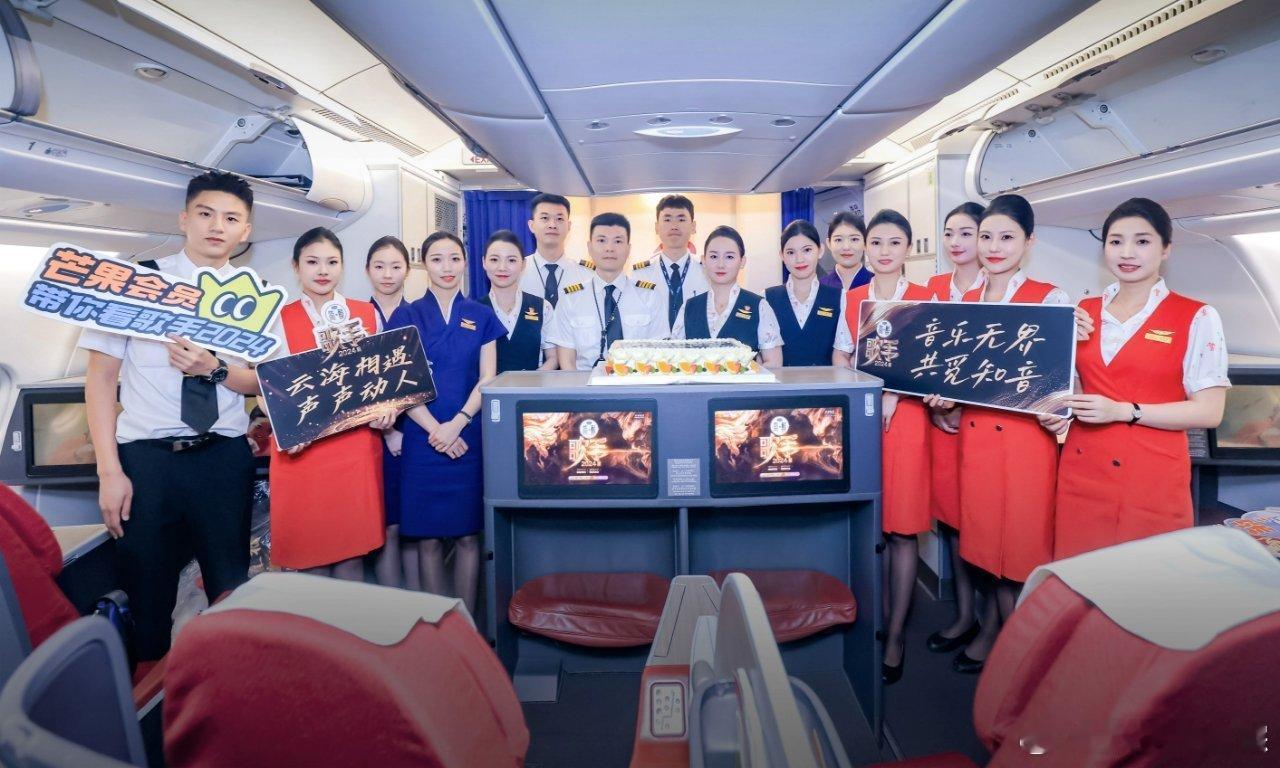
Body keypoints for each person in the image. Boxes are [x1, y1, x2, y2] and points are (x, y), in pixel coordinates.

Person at [81, 170, 259, 661]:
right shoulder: (135, 283)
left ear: (245, 231)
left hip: (222, 459)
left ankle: (223, 691)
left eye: (231, 219)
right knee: (148, 590)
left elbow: (262, 380)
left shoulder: (256, 297)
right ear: (184, 219)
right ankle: (151, 695)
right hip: (147, 461)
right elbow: (100, 379)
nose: (217, 226)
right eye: (205, 214)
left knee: (230, 591)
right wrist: (109, 472)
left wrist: (215, 368)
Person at [941, 193, 1091, 674]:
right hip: (977, 441)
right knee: (986, 547)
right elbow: (957, 378)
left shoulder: (1051, 299)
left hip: (1028, 445)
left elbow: (1068, 379)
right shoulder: (964, 301)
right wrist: (944, 402)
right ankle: (996, 636)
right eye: (986, 236)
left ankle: (1021, 659)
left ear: (1029, 242)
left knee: (1021, 552)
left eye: (1007, 237)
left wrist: (1062, 411)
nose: (994, 247)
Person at [1049, 198, 1229, 559]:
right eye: (1116, 241)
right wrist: (1059, 408)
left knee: (1146, 580)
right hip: (1083, 470)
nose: (1127, 252)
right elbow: (1079, 387)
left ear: (1166, 249)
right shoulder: (1083, 311)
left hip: (1151, 478)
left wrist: (1124, 411)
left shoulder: (1197, 316)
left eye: (1142, 241)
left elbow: (1210, 412)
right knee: (1081, 577)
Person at [832, 209, 934, 684]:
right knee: (872, 523)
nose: (885, 251)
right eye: (877, 243)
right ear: (866, 248)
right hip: (867, 419)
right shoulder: (854, 299)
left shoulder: (927, 298)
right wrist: (864, 389)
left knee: (903, 529)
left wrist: (896, 392)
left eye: (895, 242)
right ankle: (874, 620)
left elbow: (935, 365)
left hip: (909, 421)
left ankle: (895, 636)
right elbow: (841, 354)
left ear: (908, 248)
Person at [388, 232, 504, 613]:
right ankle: (439, 627)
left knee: (469, 536)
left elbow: (488, 378)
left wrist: (458, 422)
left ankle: (465, 624)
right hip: (422, 440)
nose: (447, 267)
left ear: (465, 262)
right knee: (428, 540)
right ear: (424, 264)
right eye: (437, 259)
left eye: (454, 258)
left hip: (469, 435)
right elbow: (401, 383)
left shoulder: (482, 315)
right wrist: (437, 430)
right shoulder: (406, 316)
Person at [267, 228, 390, 580]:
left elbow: (381, 375)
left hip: (354, 449)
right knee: (311, 562)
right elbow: (268, 385)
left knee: (353, 558)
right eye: (312, 262)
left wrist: (388, 409)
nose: (323, 270)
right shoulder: (277, 317)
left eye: (332, 262)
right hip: (302, 450)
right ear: (296, 267)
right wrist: (287, 428)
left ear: (343, 267)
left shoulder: (365, 314)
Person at [923, 202, 986, 656]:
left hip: (985, 426)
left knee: (986, 523)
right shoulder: (932, 289)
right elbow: (923, 357)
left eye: (967, 233)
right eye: (950, 233)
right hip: (941, 424)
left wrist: (964, 408)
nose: (956, 242)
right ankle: (965, 616)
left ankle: (993, 625)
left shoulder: (998, 289)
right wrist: (936, 408)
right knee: (952, 522)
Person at [548, 212, 667, 371]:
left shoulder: (649, 296)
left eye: (618, 241)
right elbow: (567, 362)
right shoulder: (570, 299)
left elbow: (657, 355)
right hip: (584, 384)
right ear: (589, 247)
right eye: (601, 240)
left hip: (637, 383)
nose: (609, 248)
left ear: (628, 249)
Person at [365, 235, 418, 588]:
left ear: (407, 270)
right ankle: (391, 603)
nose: (387, 274)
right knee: (382, 524)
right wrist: (386, 431)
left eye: (396, 266)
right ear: (367, 270)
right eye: (379, 266)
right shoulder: (355, 317)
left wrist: (399, 429)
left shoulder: (419, 315)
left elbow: (423, 378)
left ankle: (417, 602)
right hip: (368, 434)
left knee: (409, 522)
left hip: (413, 428)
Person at [671, 226, 783, 367]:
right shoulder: (688, 307)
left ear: (742, 261)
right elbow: (673, 361)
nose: (721, 264)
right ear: (703, 260)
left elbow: (774, 363)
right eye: (714, 256)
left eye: (729, 257)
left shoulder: (759, 306)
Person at [766, 219, 843, 366]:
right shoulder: (767, 298)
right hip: (780, 381)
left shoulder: (840, 298)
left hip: (827, 381)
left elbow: (841, 357)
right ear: (782, 256)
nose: (799, 259)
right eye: (790, 252)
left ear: (820, 250)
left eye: (807, 250)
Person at [480, 229, 558, 372]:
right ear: (484, 262)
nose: (502, 267)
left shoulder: (542, 307)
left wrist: (530, 381)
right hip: (487, 387)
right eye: (494, 260)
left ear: (523, 264)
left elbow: (553, 358)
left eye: (511, 260)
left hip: (531, 385)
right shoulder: (474, 311)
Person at [630, 194, 709, 331]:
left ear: (693, 226)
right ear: (656, 227)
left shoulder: (707, 270)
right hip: (653, 344)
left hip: (698, 343)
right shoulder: (641, 274)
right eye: (667, 219)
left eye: (681, 219)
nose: (674, 226)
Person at [519, 193, 595, 309]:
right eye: (545, 218)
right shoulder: (517, 271)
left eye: (559, 219)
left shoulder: (587, 274)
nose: (552, 225)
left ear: (569, 226)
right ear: (532, 225)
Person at [818, 211, 873, 293]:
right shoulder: (819, 287)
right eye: (838, 240)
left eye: (854, 239)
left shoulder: (877, 283)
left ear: (865, 243)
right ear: (829, 244)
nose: (846, 247)